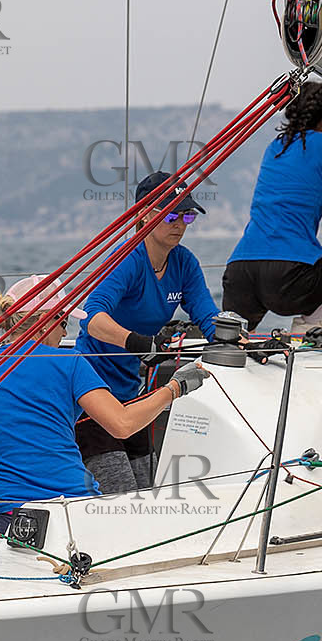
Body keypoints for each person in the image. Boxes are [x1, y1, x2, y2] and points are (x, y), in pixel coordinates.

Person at [0, 275, 209, 536]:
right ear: (45, 323)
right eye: (62, 322)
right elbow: (123, 424)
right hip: (74, 514)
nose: (65, 332)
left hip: (7, 521)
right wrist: (175, 388)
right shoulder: (70, 362)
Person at [75, 171, 222, 493]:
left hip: (131, 395)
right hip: (92, 394)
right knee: (124, 497)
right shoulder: (126, 260)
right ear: (144, 214)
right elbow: (91, 318)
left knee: (146, 492)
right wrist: (137, 342)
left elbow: (208, 317)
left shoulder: (184, 263)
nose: (179, 224)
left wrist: (239, 340)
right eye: (170, 215)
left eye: (187, 216)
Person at [222, 81, 322, 334]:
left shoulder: (276, 147)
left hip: (241, 271)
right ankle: (309, 323)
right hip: (291, 278)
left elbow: (317, 144)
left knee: (233, 343)